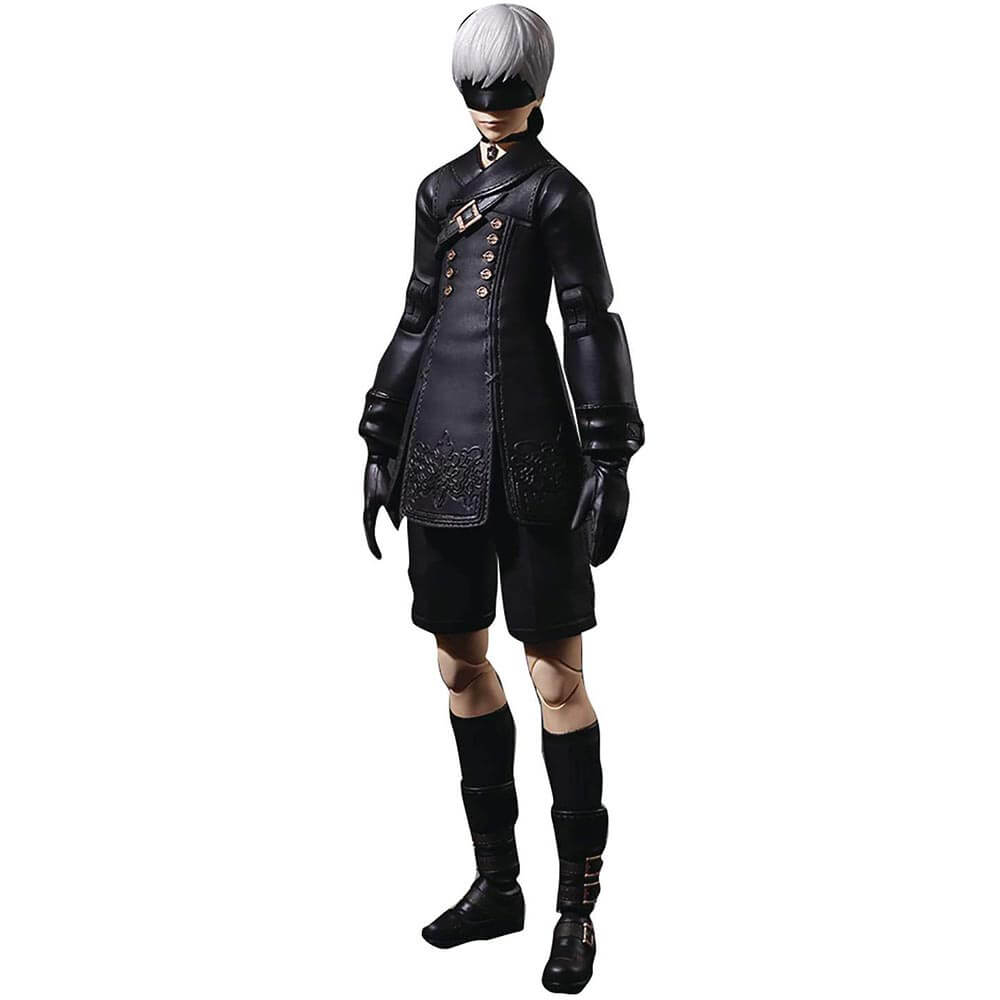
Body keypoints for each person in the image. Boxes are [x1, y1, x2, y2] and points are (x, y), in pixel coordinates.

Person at [358, 5, 644, 992]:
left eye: (508, 90)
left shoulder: (557, 195)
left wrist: (609, 451)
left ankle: (576, 909)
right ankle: (498, 885)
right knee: (457, 663)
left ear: (536, 89)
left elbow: (591, 321)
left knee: (555, 676)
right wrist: (379, 434)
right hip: (439, 451)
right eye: (477, 91)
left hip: (534, 459)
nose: (491, 108)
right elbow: (415, 315)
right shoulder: (438, 190)